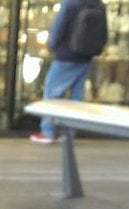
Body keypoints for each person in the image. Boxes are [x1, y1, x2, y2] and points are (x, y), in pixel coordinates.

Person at [30, 0, 97, 144]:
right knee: (77, 96)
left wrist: (52, 46)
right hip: (86, 55)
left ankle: (48, 131)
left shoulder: (70, 3)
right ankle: (69, 133)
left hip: (67, 55)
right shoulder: (97, 3)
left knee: (52, 91)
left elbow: (58, 28)